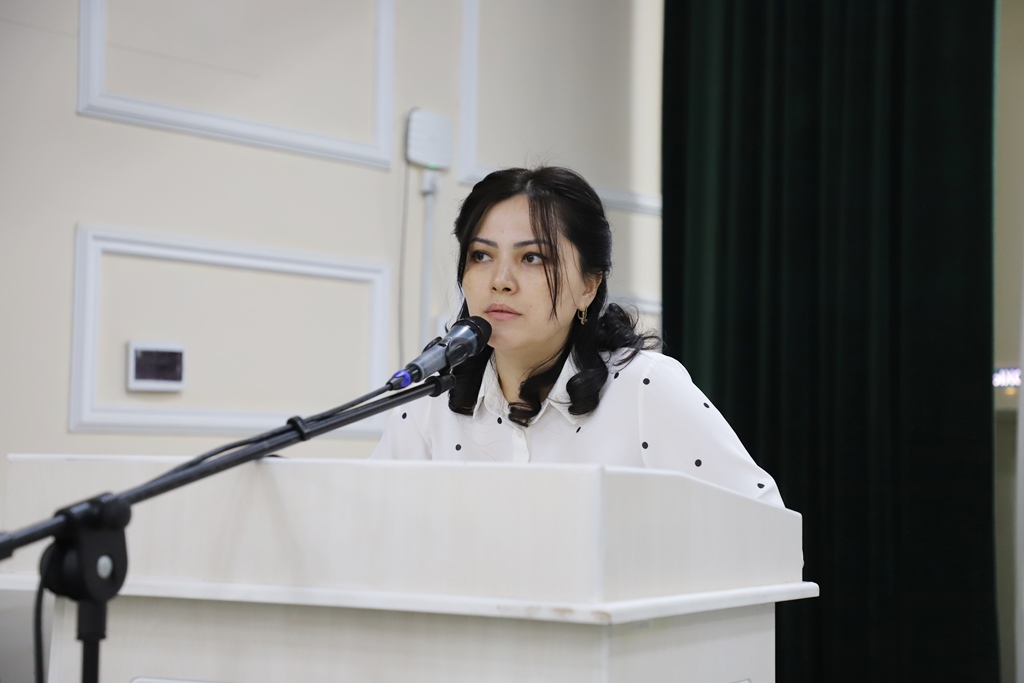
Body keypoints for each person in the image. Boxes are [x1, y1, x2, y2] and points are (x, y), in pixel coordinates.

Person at [372, 166, 783, 507]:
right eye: (482, 255)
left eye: (532, 258)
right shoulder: (430, 400)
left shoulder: (643, 387)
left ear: (589, 285)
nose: (500, 280)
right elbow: (368, 530)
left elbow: (761, 521)